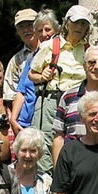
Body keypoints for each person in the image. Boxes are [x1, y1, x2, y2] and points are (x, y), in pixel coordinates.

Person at [29, 4, 93, 171]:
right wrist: (41, 76)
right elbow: (31, 75)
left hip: (77, 103)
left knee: (77, 144)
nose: (79, 27)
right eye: (76, 23)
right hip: (51, 101)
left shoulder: (88, 50)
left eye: (84, 24)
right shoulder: (50, 45)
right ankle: (48, 187)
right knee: (45, 145)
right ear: (67, 23)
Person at [10, 8, 60, 136]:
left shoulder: (62, 55)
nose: (44, 34)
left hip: (47, 120)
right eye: (40, 30)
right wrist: (14, 119)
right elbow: (21, 91)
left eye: (47, 29)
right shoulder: (31, 58)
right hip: (25, 124)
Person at [3, 8, 39, 104]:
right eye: (21, 27)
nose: (26, 30)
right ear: (17, 32)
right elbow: (10, 93)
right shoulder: (16, 61)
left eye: (30, 25)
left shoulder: (52, 51)